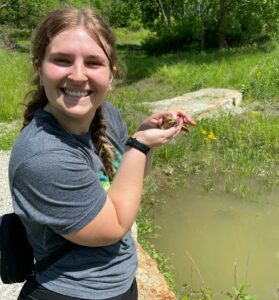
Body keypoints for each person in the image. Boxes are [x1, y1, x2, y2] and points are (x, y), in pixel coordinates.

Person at [8, 6, 196, 300]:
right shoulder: (42, 157)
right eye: (62, 60)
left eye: (93, 62)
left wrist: (145, 137)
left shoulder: (106, 115)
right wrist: (140, 144)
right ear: (39, 69)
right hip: (72, 291)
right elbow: (116, 224)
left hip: (119, 280)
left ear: (111, 75)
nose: (78, 75)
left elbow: (130, 178)